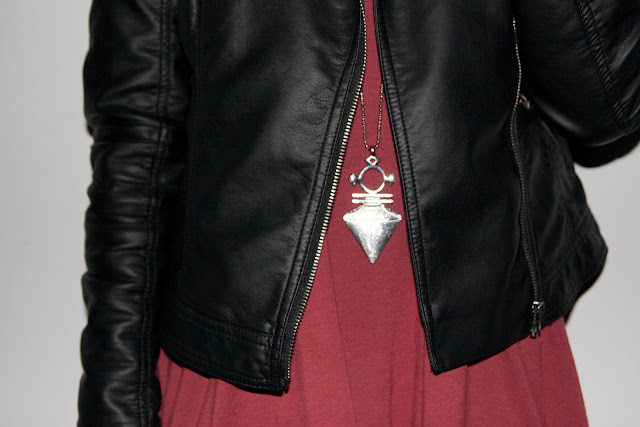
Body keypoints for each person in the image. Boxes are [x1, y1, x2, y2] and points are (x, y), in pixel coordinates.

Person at [78, 0, 640, 425]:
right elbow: (139, 145)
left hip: (485, 338)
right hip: (250, 356)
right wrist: (117, 397)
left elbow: (610, 106)